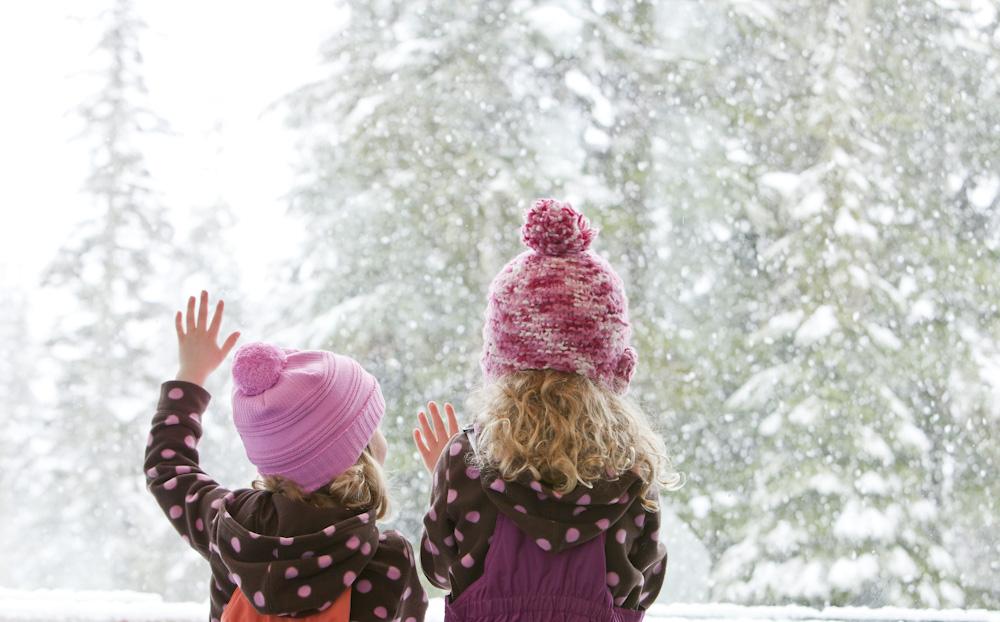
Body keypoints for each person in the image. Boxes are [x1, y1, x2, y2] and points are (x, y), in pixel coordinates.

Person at [414, 199, 681, 621]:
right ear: (612, 365)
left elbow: (438, 570)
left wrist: (445, 478)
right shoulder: (633, 471)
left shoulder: (467, 464)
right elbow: (645, 583)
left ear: (500, 361)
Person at [145, 291, 426, 622]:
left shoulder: (232, 529)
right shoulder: (386, 562)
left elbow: (166, 470)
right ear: (360, 455)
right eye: (372, 428)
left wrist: (190, 376)